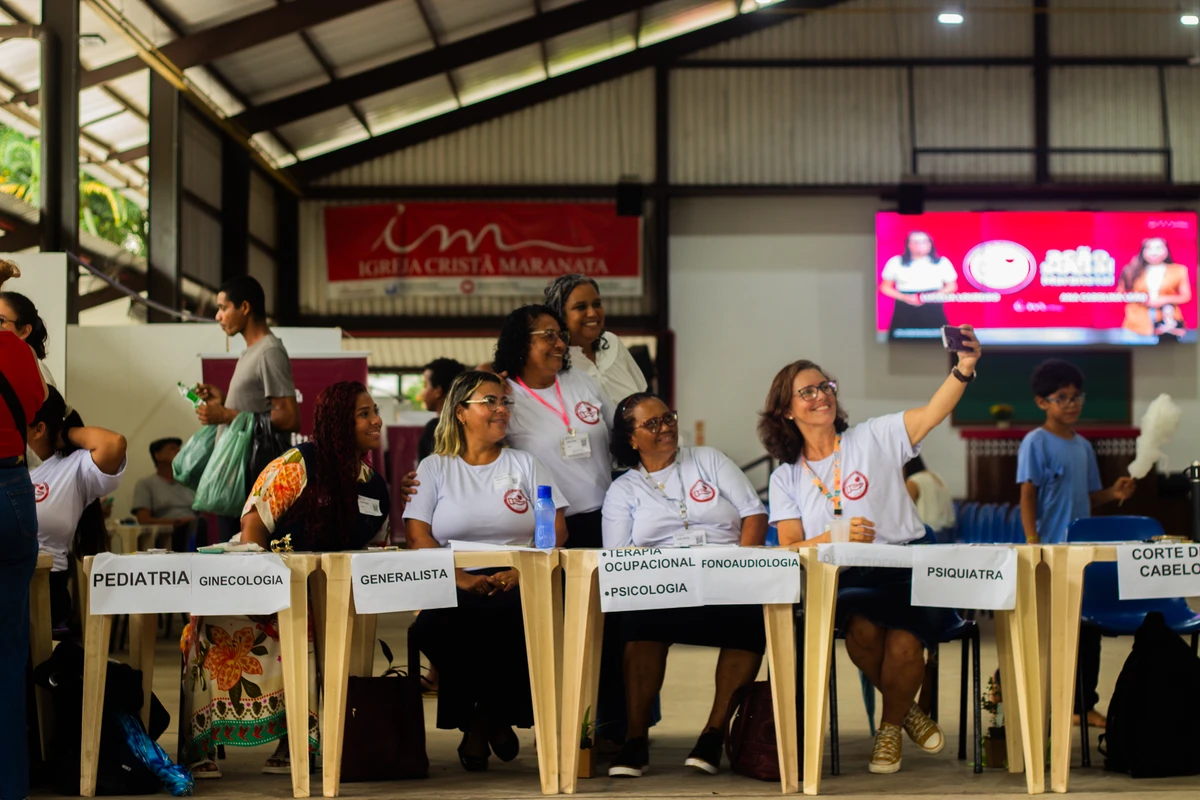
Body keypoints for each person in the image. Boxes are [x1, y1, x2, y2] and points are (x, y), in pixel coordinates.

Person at [759, 325, 981, 774]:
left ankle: (889, 729)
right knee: (861, 633)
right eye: (808, 391)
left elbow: (934, 412)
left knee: (902, 645)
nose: (821, 396)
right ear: (785, 409)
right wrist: (833, 538)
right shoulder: (787, 477)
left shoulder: (873, 437)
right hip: (847, 578)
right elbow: (788, 548)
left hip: (908, 564)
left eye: (825, 386)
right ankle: (908, 712)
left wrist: (964, 368)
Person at [182, 381, 391, 778]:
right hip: (265, 587)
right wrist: (264, 595)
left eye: (374, 411)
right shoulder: (297, 464)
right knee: (214, 628)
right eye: (364, 413)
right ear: (337, 422)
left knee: (318, 626)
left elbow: (373, 550)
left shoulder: (372, 484)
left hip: (321, 598)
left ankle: (294, 741)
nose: (376, 420)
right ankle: (200, 744)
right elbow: (253, 526)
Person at [405, 370, 567, 771]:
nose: (501, 410)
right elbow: (417, 536)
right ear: (461, 412)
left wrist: (520, 572)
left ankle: (479, 723)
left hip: (517, 576)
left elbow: (556, 529)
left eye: (504, 402)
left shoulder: (526, 464)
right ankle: (492, 717)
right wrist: (462, 580)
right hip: (453, 577)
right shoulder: (434, 468)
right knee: (428, 629)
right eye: (489, 402)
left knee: (506, 618)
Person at [602, 392, 767, 777]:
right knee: (638, 624)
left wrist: (742, 570)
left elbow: (753, 514)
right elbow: (618, 556)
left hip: (725, 577)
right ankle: (635, 739)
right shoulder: (623, 490)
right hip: (660, 587)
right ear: (631, 438)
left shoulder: (707, 460)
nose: (666, 427)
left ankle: (713, 734)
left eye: (668, 417)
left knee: (750, 620)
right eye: (652, 423)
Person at [1017, 359, 1136, 729]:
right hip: (1049, 550)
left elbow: (1088, 497)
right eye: (1062, 397)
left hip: (1082, 554)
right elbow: (1028, 496)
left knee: (1088, 630)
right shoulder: (1035, 442)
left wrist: (1113, 493)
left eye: (1076, 396)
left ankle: (1082, 705)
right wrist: (1033, 543)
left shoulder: (1083, 446)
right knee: (1044, 631)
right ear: (1042, 403)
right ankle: (1025, 699)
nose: (1071, 404)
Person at [492, 304, 612, 548]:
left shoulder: (580, 380)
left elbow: (621, 431)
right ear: (522, 342)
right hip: (550, 527)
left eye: (561, 336)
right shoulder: (504, 397)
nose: (559, 344)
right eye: (548, 336)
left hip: (607, 517)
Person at [193, 276, 299, 542]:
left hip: (254, 479)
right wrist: (225, 401)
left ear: (245, 307)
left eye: (223, 307)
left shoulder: (269, 351)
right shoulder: (251, 351)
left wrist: (227, 415)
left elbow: (289, 416)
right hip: (240, 479)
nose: (218, 316)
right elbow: (257, 407)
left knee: (247, 562)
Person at [28, 387, 127, 628]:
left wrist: (67, 433)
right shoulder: (13, 464)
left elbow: (114, 444)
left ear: (39, 429)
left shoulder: (72, 466)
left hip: (45, 583)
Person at [0, 329, 46, 800]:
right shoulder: (17, 349)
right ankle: (11, 786)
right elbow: (33, 410)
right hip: (13, 490)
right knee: (9, 652)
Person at [543, 275, 648, 405]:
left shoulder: (611, 342)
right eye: (581, 307)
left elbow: (642, 395)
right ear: (560, 315)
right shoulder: (555, 362)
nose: (592, 313)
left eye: (597, 304)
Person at [879, 231, 958, 334]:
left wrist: (928, 297)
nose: (921, 245)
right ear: (909, 244)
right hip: (905, 308)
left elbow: (952, 286)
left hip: (933, 307)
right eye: (916, 242)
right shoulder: (896, 262)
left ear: (930, 244)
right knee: (902, 343)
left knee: (936, 342)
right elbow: (885, 287)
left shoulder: (942, 262)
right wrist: (905, 297)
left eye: (925, 242)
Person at [131, 437, 197, 552]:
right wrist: (176, 522)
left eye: (178, 448)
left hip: (195, 527)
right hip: (167, 534)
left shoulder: (188, 483)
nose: (178, 451)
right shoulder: (146, 484)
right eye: (172, 449)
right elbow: (143, 519)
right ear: (158, 456)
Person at [1119, 237, 1191, 339]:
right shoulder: (1130, 269)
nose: (1154, 252)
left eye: (1158, 248)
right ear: (1143, 251)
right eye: (1149, 248)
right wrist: (1142, 298)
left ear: (1166, 250)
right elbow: (1121, 293)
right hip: (1136, 323)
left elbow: (1186, 296)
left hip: (1167, 322)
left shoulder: (1179, 270)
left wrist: (1163, 300)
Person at [418, 357, 466, 462]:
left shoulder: (435, 428)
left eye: (425, 385)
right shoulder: (470, 425)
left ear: (438, 391)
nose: (423, 392)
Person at [904, 454, 955, 540]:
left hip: (929, 534)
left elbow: (903, 513)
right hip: (948, 532)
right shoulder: (936, 476)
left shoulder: (913, 481)